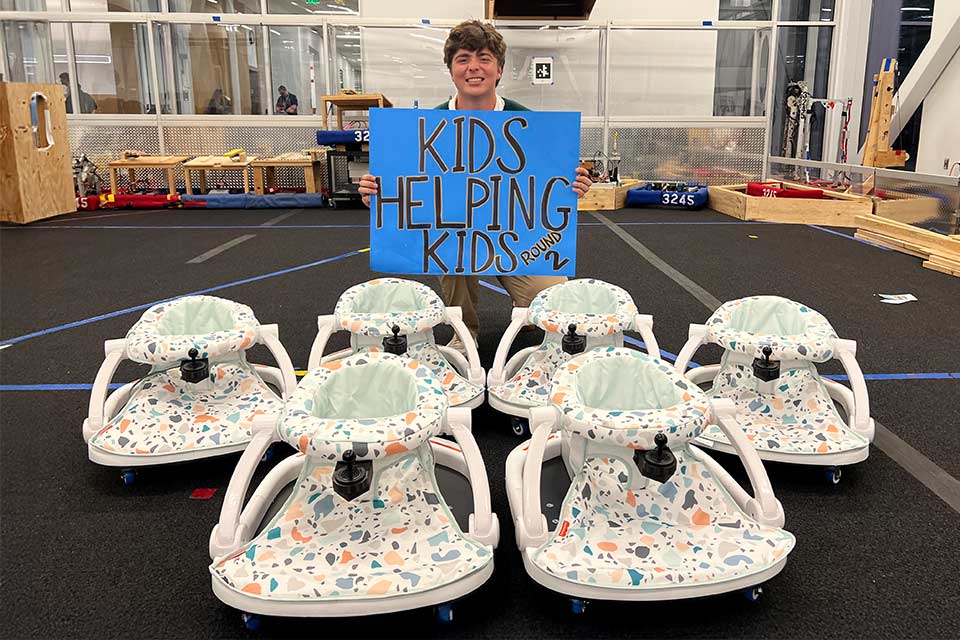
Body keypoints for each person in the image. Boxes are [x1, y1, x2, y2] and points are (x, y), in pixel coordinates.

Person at [358, 20, 592, 351]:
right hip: (456, 237)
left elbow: (549, 182)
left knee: (552, 294)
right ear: (451, 69)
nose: (474, 67)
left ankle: (522, 308)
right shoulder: (425, 126)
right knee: (448, 253)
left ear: (499, 69)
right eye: (463, 58)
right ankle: (464, 329)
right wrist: (377, 194)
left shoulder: (530, 123)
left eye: (484, 58)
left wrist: (573, 186)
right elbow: (406, 185)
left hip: (515, 239)